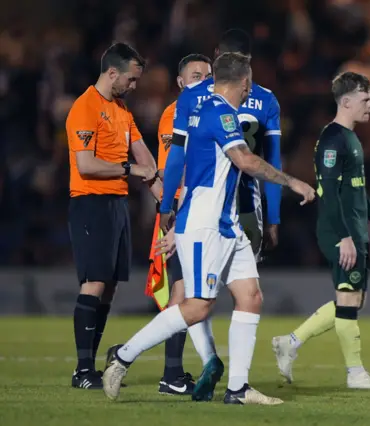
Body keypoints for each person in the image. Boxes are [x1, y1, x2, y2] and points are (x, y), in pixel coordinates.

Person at [102, 52, 315, 405]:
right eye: (249, 85)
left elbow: (185, 164)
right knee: (198, 306)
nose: (251, 91)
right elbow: (244, 160)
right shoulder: (220, 113)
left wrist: (171, 209)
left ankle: (238, 389)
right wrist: (293, 182)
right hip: (204, 225)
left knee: (251, 297)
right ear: (244, 82)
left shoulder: (203, 110)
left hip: (225, 223)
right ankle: (123, 357)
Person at [272, 72, 370, 390]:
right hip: (340, 230)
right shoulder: (332, 140)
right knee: (348, 300)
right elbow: (327, 193)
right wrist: (344, 236)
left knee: (355, 300)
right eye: (365, 98)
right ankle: (355, 373)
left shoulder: (351, 137)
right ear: (346, 101)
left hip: (354, 228)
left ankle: (290, 342)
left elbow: (356, 189)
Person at [66, 42, 160, 390]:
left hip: (117, 204)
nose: (134, 87)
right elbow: (86, 164)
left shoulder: (121, 110)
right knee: (94, 282)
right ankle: (82, 369)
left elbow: (146, 161)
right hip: (90, 202)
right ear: (112, 73)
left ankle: (90, 365)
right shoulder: (85, 107)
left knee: (109, 288)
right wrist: (131, 169)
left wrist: (160, 191)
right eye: (131, 80)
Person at [159, 28, 283, 260]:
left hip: (199, 203)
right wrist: (273, 218)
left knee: (192, 286)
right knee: (243, 290)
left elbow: (177, 155)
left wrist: (167, 205)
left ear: (216, 54)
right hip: (245, 205)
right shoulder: (266, 99)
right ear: (249, 61)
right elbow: (273, 160)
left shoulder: (191, 95)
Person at [153, 53, 213, 395]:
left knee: (191, 292)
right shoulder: (176, 113)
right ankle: (170, 372)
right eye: (195, 75)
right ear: (180, 82)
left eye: (207, 74)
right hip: (182, 210)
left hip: (199, 210)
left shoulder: (206, 113)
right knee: (181, 291)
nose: (203, 80)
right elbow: (171, 171)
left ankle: (174, 370)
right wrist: (175, 218)